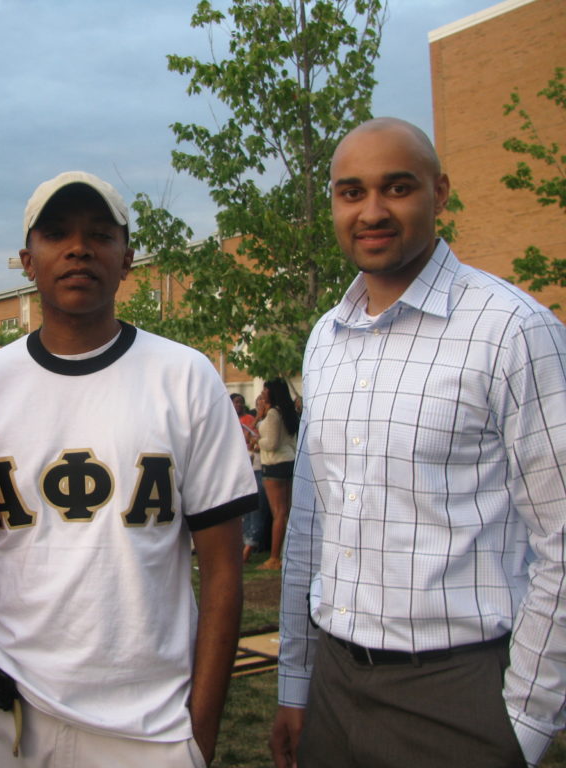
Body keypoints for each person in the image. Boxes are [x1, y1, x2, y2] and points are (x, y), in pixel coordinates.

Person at [0, 171, 258, 768]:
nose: (79, 248)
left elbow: (224, 571)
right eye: (57, 234)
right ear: (27, 259)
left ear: (127, 259)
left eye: (101, 234)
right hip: (12, 715)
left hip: (149, 726)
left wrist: (199, 739)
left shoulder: (184, 376)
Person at [270, 118, 566, 768]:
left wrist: (522, 721)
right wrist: (296, 682)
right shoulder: (327, 338)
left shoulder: (513, 331)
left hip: (457, 692)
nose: (372, 211)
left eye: (397, 187)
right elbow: (313, 527)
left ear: (440, 192)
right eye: (351, 192)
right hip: (336, 684)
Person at [254, 379, 298, 570]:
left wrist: (257, 441)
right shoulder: (287, 412)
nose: (263, 394)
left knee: (278, 513)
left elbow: (270, 443)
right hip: (288, 461)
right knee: (286, 511)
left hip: (274, 464)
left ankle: (274, 558)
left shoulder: (273, 414)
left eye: (265, 391)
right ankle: (286, 552)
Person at [232, 392, 269, 562]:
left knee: (256, 507)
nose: (238, 405)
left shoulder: (250, 418)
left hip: (256, 464)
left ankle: (252, 544)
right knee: (243, 510)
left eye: (241, 401)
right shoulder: (229, 419)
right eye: (235, 402)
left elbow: (254, 438)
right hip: (239, 465)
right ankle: (244, 542)